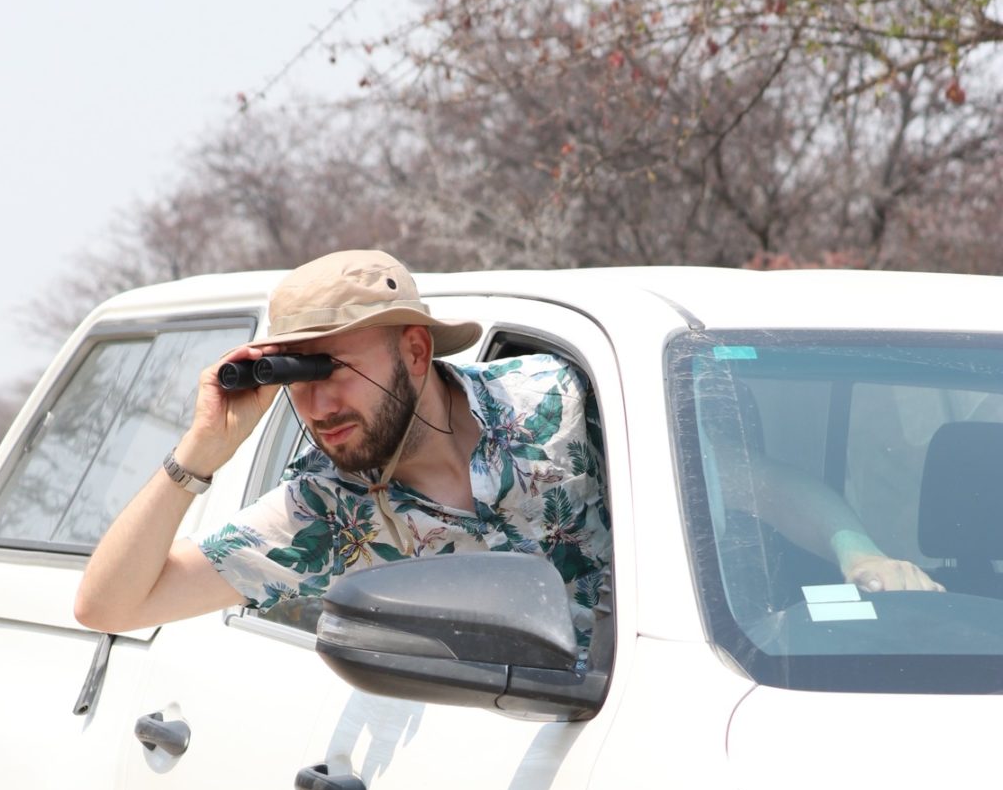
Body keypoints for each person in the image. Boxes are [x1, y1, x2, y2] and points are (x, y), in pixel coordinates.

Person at [73, 250, 940, 637]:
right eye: (295, 380)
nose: (315, 403)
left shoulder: (566, 397)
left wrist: (858, 551)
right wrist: (200, 454)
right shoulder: (322, 513)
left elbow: (755, 486)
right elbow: (109, 608)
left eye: (332, 369)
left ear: (415, 351)